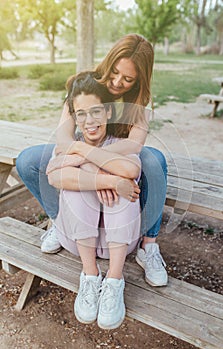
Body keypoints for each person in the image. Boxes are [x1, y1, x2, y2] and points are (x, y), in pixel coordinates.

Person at [16, 33, 168, 287]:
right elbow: (63, 136)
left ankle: (148, 245)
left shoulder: (141, 100)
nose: (118, 82)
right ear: (108, 63)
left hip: (112, 153)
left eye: (128, 79)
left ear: (140, 79)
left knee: (156, 161)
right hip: (80, 149)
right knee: (27, 160)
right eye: (115, 73)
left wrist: (92, 161)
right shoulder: (85, 84)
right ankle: (60, 220)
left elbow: (133, 144)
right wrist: (85, 158)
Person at [50, 71, 141, 329]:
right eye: (81, 114)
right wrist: (108, 179)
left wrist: (90, 165)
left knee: (128, 189)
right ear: (75, 118)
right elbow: (55, 176)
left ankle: (114, 280)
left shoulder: (121, 143)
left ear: (108, 113)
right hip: (78, 242)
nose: (89, 121)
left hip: (120, 244)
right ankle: (90, 275)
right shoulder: (69, 145)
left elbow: (131, 170)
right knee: (76, 187)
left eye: (96, 112)